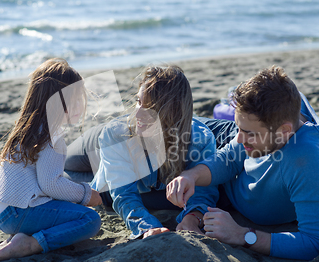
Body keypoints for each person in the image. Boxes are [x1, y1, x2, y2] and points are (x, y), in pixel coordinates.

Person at [167, 65, 319, 260]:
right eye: (241, 129)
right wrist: (192, 175)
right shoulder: (260, 128)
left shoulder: (306, 162)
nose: (239, 139)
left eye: (249, 133)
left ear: (284, 132)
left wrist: (241, 235)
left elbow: (316, 241)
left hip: (231, 190)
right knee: (166, 132)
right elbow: (229, 159)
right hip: (221, 139)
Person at [65, 65, 220, 239]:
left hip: (124, 164)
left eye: (149, 108)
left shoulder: (201, 139)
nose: (138, 113)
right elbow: (124, 194)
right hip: (101, 144)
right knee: (64, 166)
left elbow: (204, 191)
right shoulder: (115, 134)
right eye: (138, 102)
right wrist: (146, 227)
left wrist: (193, 219)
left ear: (172, 112)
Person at [0, 58, 102, 262]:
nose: (80, 105)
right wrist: (85, 194)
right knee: (89, 219)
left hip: (5, 213)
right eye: (74, 99)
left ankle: (21, 236)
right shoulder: (50, 136)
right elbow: (51, 184)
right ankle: (31, 244)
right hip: (20, 213)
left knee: (66, 206)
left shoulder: (26, 130)